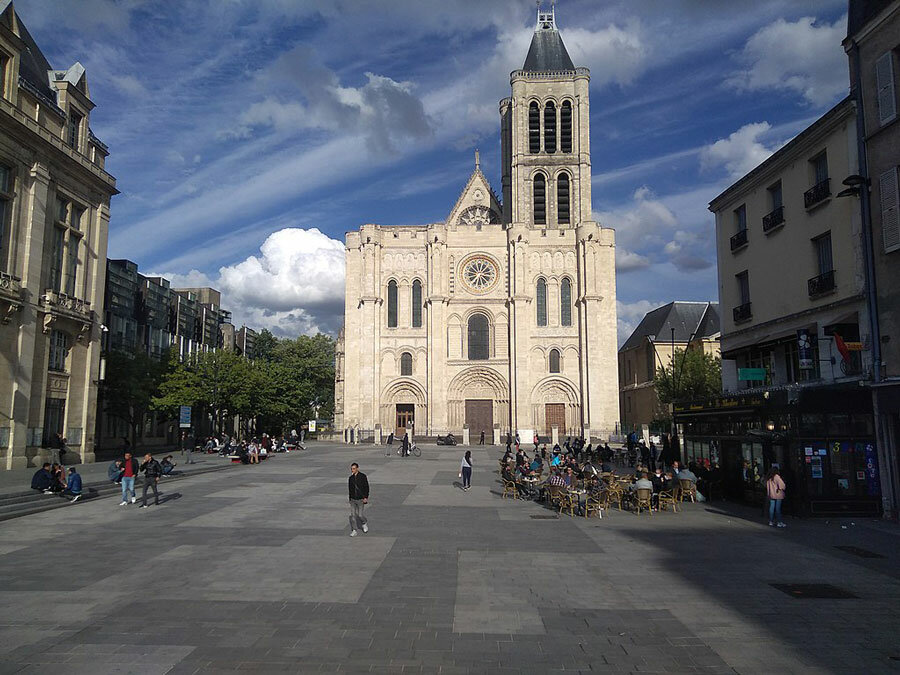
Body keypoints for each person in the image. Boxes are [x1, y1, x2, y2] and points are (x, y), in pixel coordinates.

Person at [348, 463, 369, 536]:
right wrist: (350, 498)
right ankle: (354, 530)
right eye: (351, 468)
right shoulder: (351, 478)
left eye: (354, 468)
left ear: (357, 468)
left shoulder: (363, 476)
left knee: (360, 515)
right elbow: (350, 489)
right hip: (353, 500)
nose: (352, 470)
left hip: (360, 499)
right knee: (353, 516)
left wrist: (366, 497)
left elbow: (366, 487)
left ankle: (364, 522)